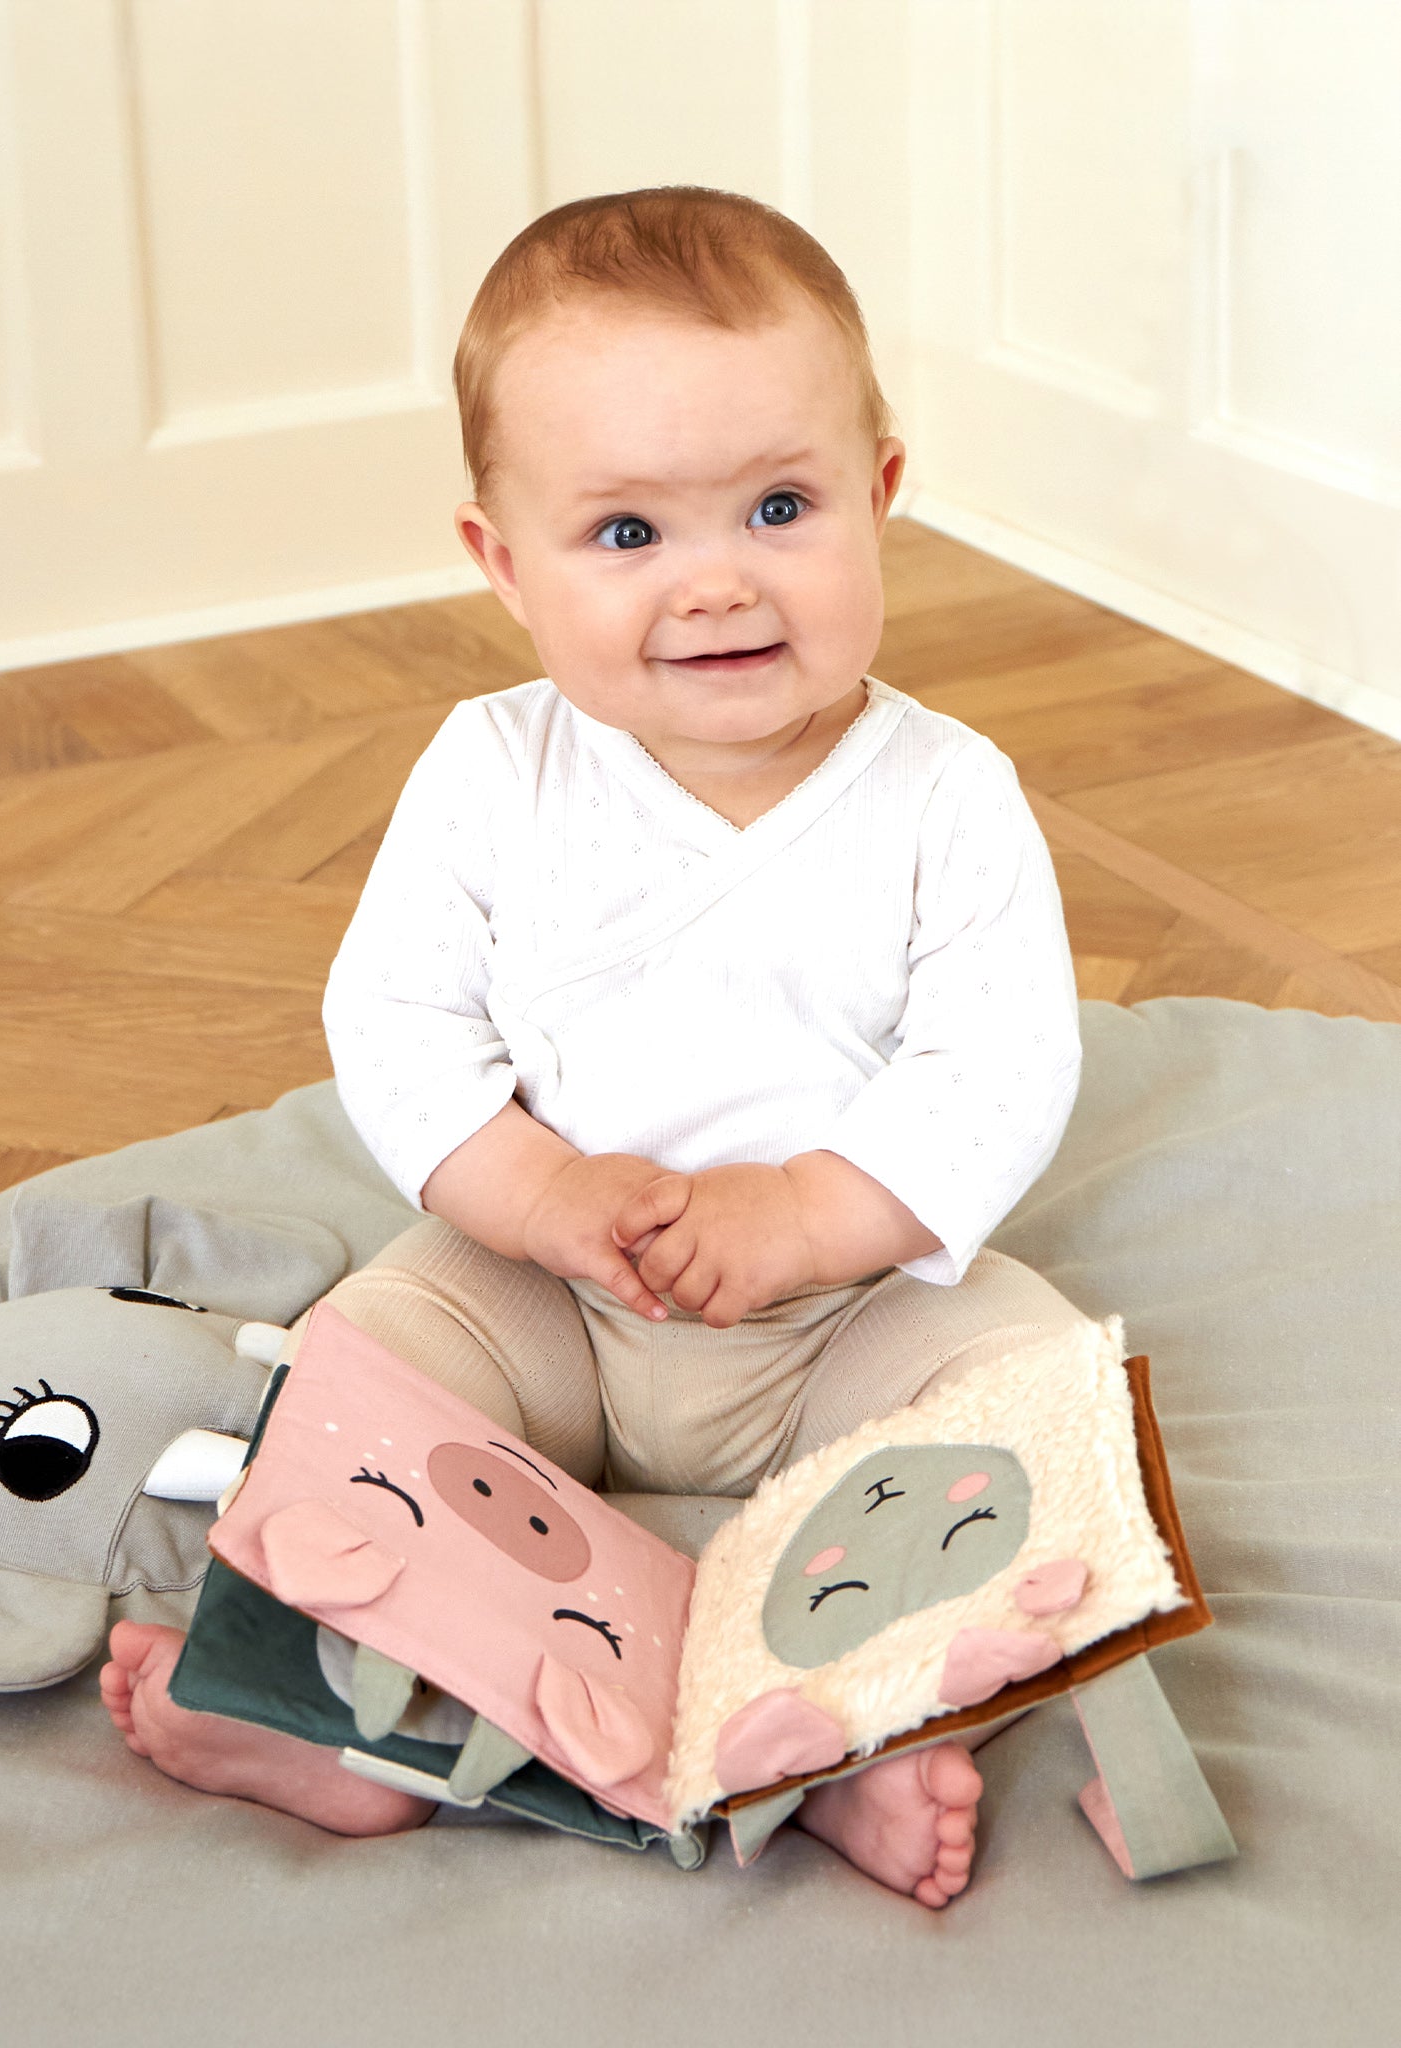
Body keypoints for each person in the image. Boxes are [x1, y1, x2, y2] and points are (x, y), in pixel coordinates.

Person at [104, 187, 1091, 1909]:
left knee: (1041, 1406)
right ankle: (341, 1718)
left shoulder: (950, 795)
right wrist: (533, 1190)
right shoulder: (493, 773)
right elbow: (396, 1023)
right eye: (625, 534)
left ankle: (824, 1747)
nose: (715, 581)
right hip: (551, 1291)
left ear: (880, 494)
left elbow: (997, 1064)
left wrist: (812, 1212)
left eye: (778, 508)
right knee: (359, 1375)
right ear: (502, 561)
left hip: (848, 1313)